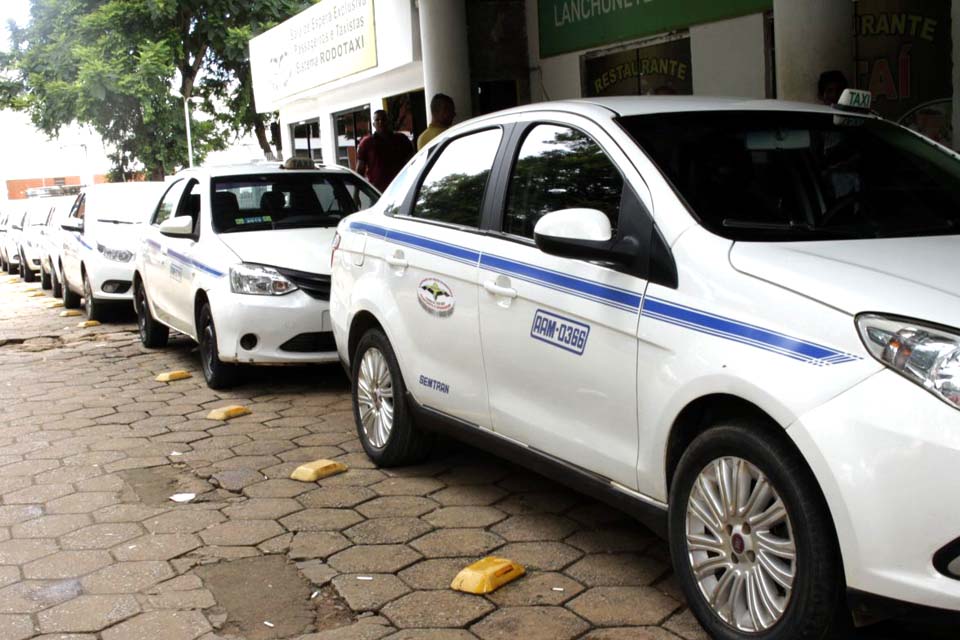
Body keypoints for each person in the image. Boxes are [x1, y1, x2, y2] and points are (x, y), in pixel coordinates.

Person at [356, 110, 414, 192]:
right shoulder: (366, 143)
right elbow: (360, 169)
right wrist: (356, 193)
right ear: (373, 124)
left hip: (401, 188)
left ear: (389, 122)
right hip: (377, 192)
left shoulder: (401, 139)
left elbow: (413, 162)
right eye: (377, 120)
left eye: (384, 119)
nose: (381, 122)